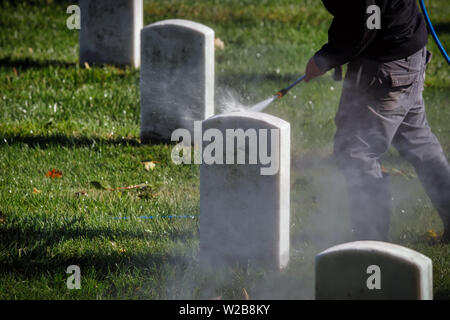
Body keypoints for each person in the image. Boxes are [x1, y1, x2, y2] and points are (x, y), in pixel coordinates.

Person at [304, 0, 450, 242]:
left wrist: (326, 57)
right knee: (418, 140)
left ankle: (371, 245)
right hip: (406, 52)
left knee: (356, 151)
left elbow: (367, 20)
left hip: (388, 65)